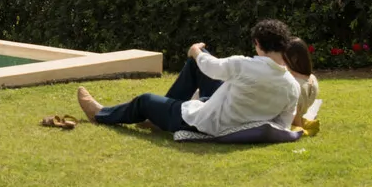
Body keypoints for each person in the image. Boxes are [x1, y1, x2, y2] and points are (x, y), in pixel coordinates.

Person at [76, 19, 300, 137]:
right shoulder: (292, 86)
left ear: (258, 44)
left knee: (144, 100)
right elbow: (283, 125)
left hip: (208, 123)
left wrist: (195, 50)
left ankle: (101, 114)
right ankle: (158, 119)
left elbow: (212, 68)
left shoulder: (245, 65)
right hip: (231, 115)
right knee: (197, 65)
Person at [284, 37, 320, 129]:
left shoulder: (293, 82)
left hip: (291, 120)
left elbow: (295, 110)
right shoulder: (312, 78)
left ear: (294, 58)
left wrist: (299, 127)